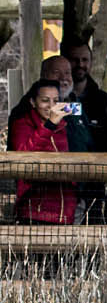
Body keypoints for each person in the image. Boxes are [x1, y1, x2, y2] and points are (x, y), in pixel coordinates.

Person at [8, 78, 76, 225]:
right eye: (45, 100)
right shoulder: (22, 124)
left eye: (56, 101)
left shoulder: (66, 126)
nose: (51, 106)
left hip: (66, 213)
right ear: (33, 102)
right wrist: (49, 125)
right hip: (35, 213)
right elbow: (25, 156)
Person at [60, 38, 107, 130]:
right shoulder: (51, 96)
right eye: (75, 60)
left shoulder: (102, 100)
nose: (80, 64)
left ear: (91, 62)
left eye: (85, 60)